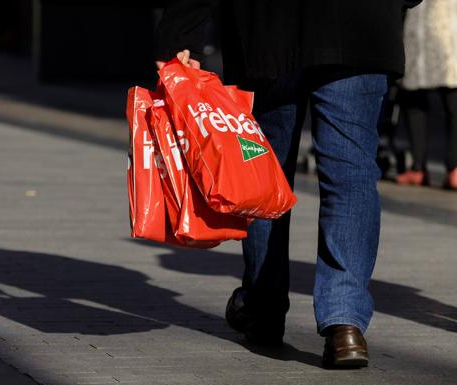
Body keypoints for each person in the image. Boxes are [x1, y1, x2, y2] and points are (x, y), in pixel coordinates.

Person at [155, 0, 421, 369]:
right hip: (361, 22)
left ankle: (263, 308)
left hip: (270, 26)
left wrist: (180, 33)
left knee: (264, 169)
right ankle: (344, 321)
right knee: (351, 172)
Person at [396, 1, 457, 190]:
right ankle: (421, 166)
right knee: (414, 94)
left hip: (443, 19)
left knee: (451, 94)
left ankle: (448, 167)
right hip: (423, 20)